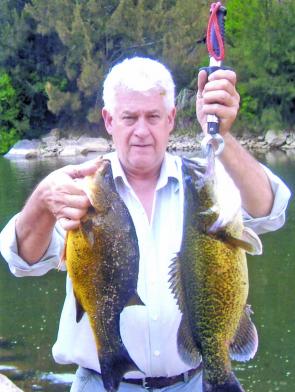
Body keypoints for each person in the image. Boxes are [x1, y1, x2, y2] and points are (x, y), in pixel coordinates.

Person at [0, 57, 291, 391]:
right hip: (101, 383)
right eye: (129, 117)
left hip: (194, 381)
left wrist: (222, 138)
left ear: (170, 120)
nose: (141, 130)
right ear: (109, 121)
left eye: (153, 117)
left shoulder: (204, 184)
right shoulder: (81, 187)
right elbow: (23, 262)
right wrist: (40, 202)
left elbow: (271, 210)